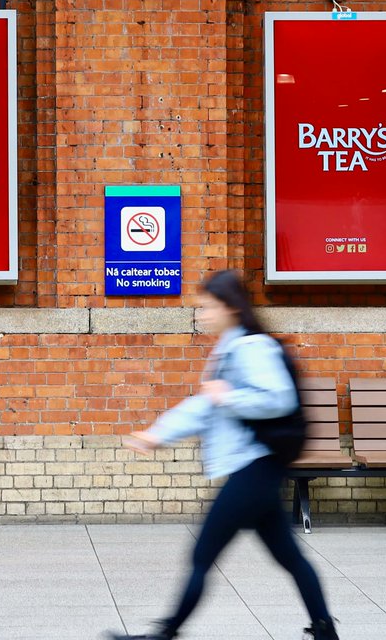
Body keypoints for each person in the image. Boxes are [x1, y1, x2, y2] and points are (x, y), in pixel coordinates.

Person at [108, 270, 339, 640]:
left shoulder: (251, 348)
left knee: (202, 555)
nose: (201, 315)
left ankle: (164, 635)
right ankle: (325, 632)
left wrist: (225, 396)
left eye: (207, 307)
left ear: (230, 307)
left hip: (254, 468)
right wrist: (158, 435)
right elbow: (204, 407)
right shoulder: (230, 348)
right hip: (257, 469)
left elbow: (278, 398)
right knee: (290, 558)